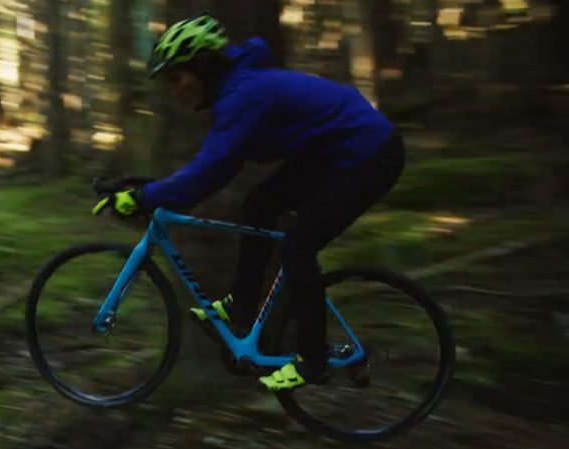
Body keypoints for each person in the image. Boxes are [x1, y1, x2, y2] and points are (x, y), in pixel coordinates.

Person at [107, 14, 405, 391]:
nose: (175, 91)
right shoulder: (238, 91)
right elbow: (216, 168)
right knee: (259, 204)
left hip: (369, 154)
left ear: (202, 65)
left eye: (177, 77)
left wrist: (146, 197)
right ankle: (243, 306)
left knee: (298, 247)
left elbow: (210, 169)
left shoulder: (243, 93)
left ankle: (313, 360)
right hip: (333, 152)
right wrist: (154, 189)